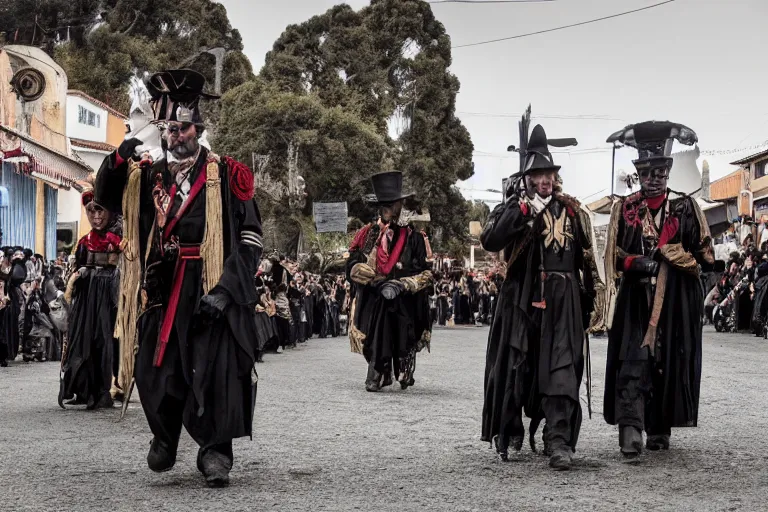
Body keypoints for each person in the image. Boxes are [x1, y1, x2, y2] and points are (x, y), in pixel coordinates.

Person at [95, 69, 263, 487]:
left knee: (216, 369)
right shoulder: (149, 176)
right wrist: (120, 154)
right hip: (162, 286)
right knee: (155, 369)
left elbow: (250, 237)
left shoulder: (225, 175)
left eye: (182, 127)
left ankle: (215, 451)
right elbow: (105, 197)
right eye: (167, 128)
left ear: (198, 128)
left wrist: (226, 290)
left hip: (209, 286)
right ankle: (165, 435)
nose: (174, 136)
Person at [480, 124, 602, 470]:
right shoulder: (514, 209)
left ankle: (559, 440)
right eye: (536, 175)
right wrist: (521, 212)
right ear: (526, 178)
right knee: (517, 366)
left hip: (564, 304)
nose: (544, 180)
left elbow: (588, 260)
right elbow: (490, 240)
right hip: (521, 299)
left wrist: (592, 304)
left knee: (562, 369)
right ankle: (510, 429)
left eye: (548, 174)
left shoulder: (573, 211)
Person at [603, 121, 713, 457]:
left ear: (668, 172)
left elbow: (704, 255)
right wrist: (634, 263)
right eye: (649, 171)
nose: (655, 178)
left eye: (661, 171)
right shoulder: (625, 209)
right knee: (633, 360)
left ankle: (660, 429)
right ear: (639, 172)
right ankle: (631, 428)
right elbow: (612, 255)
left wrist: (679, 258)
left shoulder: (685, 208)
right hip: (635, 299)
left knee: (667, 362)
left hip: (673, 300)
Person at [346, 171, 433, 392]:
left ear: (400, 205)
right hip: (374, 296)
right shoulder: (367, 235)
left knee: (400, 317)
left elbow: (425, 272)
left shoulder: (414, 238)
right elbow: (352, 265)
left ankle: (400, 364)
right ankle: (378, 368)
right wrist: (369, 276)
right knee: (379, 316)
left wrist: (403, 284)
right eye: (384, 205)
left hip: (403, 296)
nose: (388, 210)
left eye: (392, 204)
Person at [59, 187, 122, 408]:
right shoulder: (85, 241)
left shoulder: (120, 238)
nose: (96, 217)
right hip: (85, 298)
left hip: (108, 297)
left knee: (103, 341)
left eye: (100, 212)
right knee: (81, 341)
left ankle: (104, 390)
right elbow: (75, 267)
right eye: (91, 212)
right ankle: (81, 389)